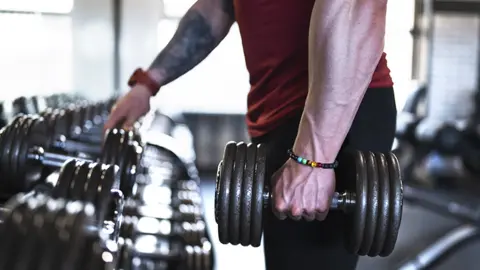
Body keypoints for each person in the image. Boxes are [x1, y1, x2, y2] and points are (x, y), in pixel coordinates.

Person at [105, 0, 396, 269]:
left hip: (333, 111)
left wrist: (314, 159)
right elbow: (217, 8)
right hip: (279, 117)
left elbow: (355, 6)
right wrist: (148, 82)